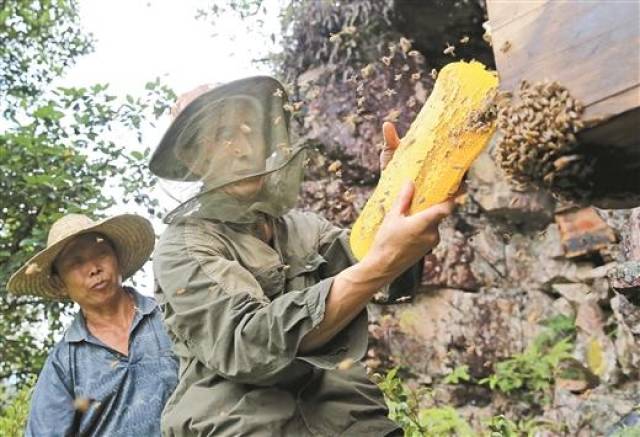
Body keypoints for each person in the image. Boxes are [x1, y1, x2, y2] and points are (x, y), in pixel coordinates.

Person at [149, 76, 456, 436]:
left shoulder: (304, 228)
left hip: (354, 424)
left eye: (250, 130)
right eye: (222, 135)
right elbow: (249, 343)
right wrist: (380, 264)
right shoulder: (183, 248)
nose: (243, 147)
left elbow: (386, 279)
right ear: (191, 158)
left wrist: (403, 194)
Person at [7, 213, 179, 436]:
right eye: (76, 262)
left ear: (116, 259)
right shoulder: (64, 363)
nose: (94, 268)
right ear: (60, 283)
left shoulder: (169, 317)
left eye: (101, 253)